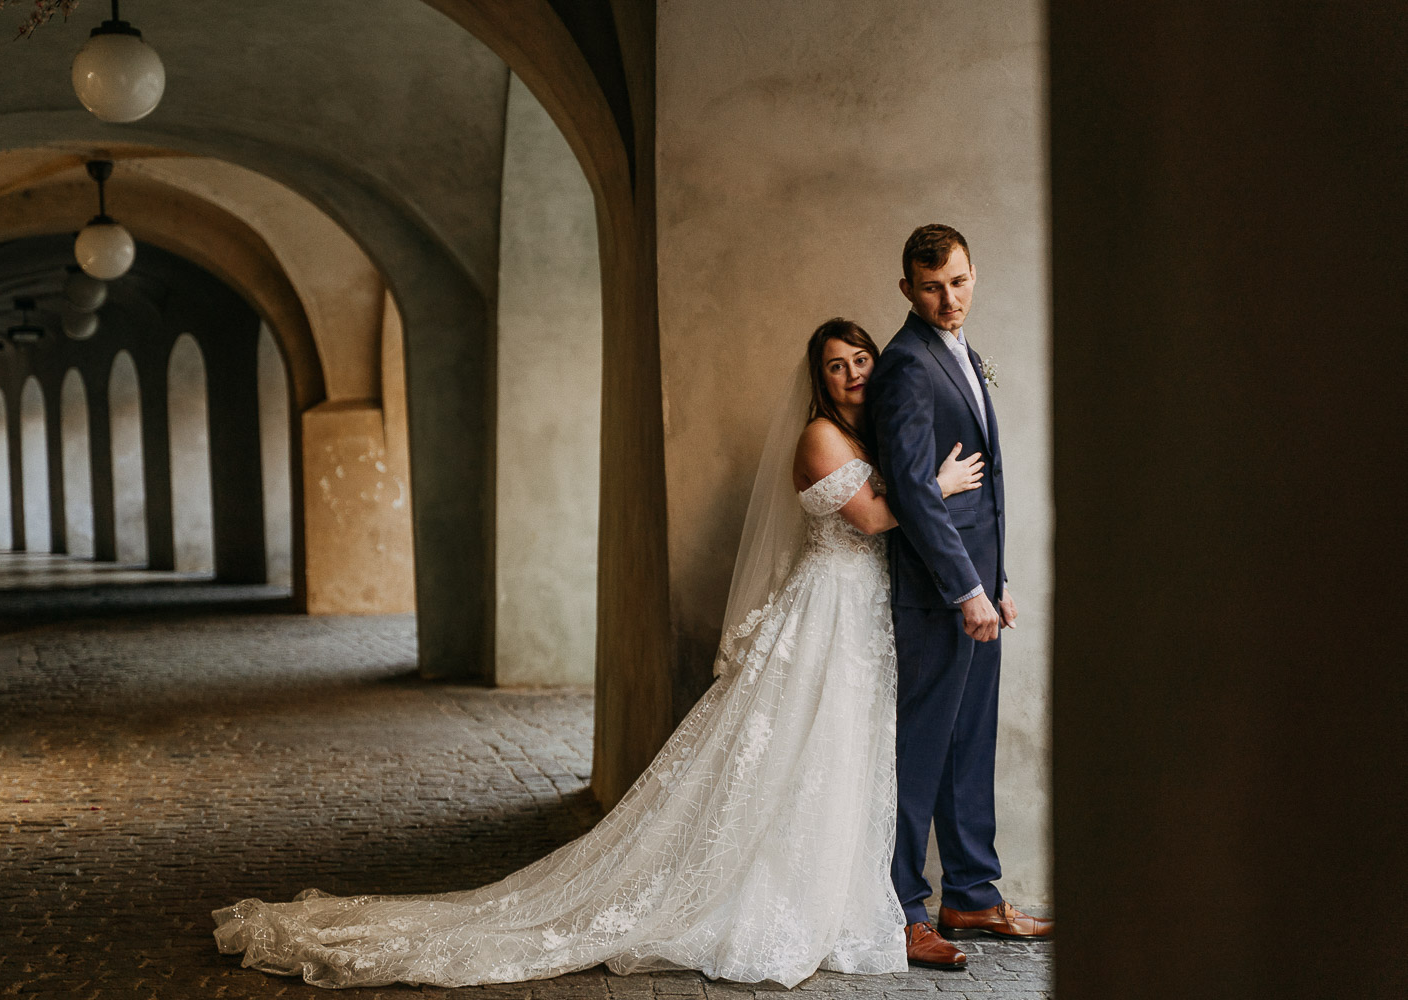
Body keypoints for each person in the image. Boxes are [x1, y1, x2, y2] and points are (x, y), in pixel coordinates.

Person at [211, 319, 984, 988]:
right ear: (818, 380)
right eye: (836, 365)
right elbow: (877, 517)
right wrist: (938, 486)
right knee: (794, 749)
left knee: (837, 754)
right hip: (826, 610)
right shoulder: (820, 437)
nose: (852, 375)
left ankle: (830, 894)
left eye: (861, 360)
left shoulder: (866, 434)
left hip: (861, 618)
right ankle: (757, 895)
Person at [867, 224, 1053, 973]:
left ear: (975, 274)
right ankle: (907, 910)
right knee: (919, 754)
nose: (950, 299)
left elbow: (985, 482)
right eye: (934, 287)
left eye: (960, 282)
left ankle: (972, 891)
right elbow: (914, 489)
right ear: (907, 287)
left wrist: (997, 580)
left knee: (969, 744)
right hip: (936, 596)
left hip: (977, 587)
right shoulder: (907, 365)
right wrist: (966, 589)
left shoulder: (959, 351)